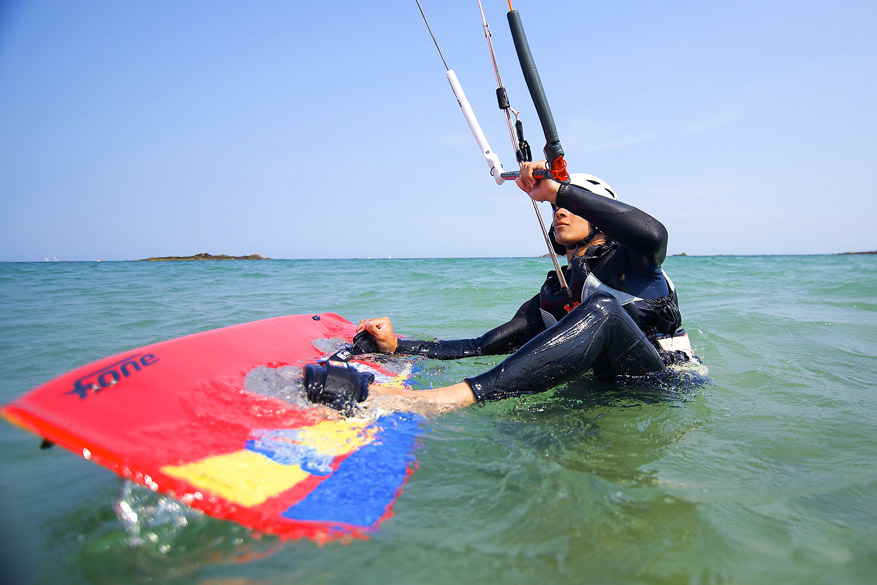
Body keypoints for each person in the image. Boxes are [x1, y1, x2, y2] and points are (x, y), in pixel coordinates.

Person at [304, 160, 692, 413]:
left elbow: (654, 233)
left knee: (604, 311)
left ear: (601, 218)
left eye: (576, 206)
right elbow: (481, 346)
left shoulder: (631, 262)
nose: (560, 210)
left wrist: (558, 189)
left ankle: (440, 400)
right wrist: (396, 347)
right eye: (558, 206)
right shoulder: (558, 293)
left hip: (659, 387)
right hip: (603, 397)